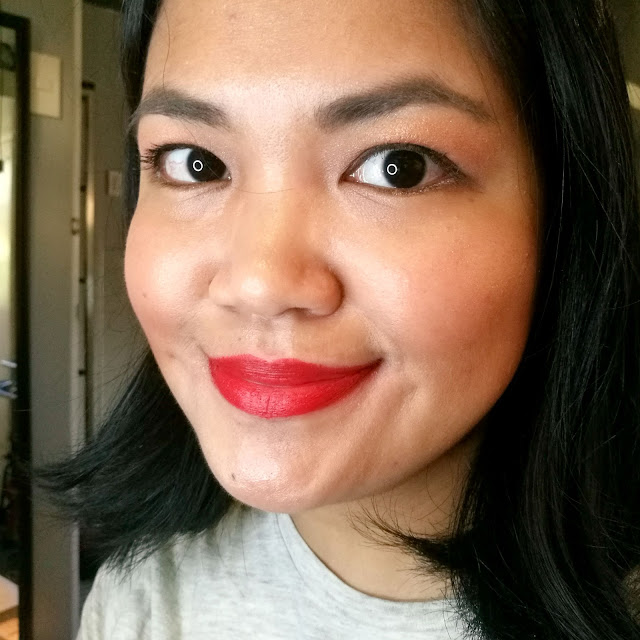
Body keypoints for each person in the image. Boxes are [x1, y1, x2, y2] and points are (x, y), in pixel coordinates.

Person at [37, 0, 640, 638]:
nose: (258, 284)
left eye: (397, 167)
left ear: (566, 216)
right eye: (195, 162)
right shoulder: (143, 598)